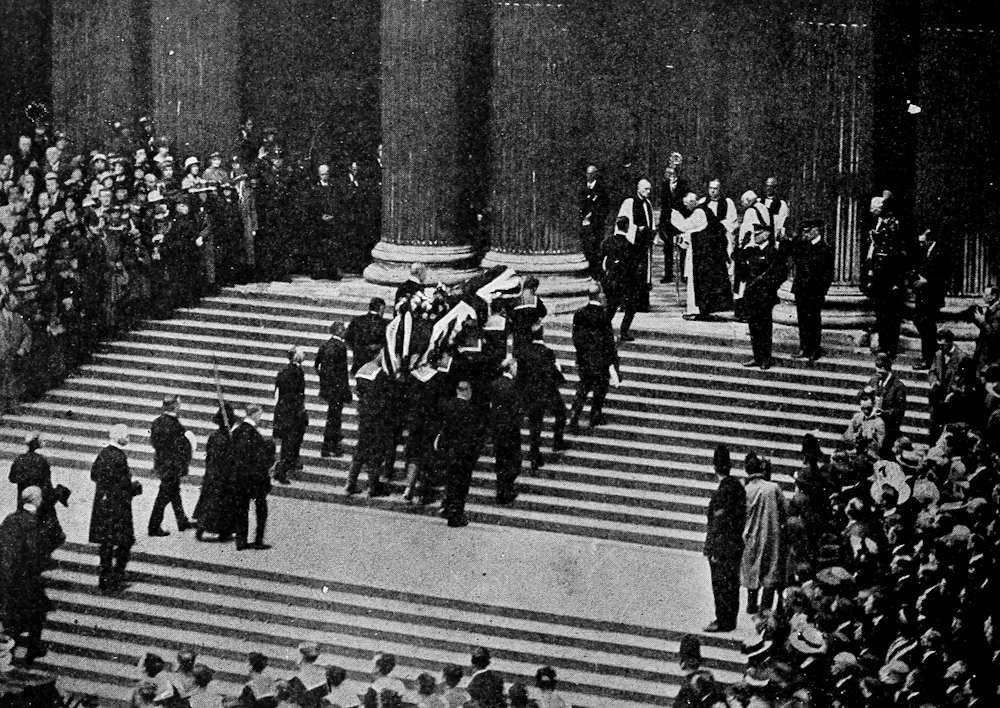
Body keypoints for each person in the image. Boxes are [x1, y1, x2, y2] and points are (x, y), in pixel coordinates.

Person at [0, 486, 51, 663]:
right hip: (26, 579)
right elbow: (36, 552)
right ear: (36, 500)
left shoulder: (10, 519)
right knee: (36, 614)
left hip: (8, 578)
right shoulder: (34, 523)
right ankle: (32, 650)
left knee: (14, 615)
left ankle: (12, 651)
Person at [89, 424, 141, 593]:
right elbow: (123, 485)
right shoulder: (120, 457)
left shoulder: (103, 454)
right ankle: (117, 577)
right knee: (125, 541)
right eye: (127, 435)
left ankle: (104, 578)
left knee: (106, 543)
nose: (129, 438)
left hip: (103, 506)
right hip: (119, 507)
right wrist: (134, 488)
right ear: (119, 437)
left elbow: (94, 475)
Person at [703, 445, 746, 632]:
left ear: (714, 467)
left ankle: (722, 620)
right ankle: (731, 619)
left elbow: (718, 525)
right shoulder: (738, 487)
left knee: (720, 584)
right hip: (735, 543)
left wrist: (712, 548)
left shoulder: (722, 493)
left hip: (722, 546)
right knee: (732, 583)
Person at [672, 192, 733, 320]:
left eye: (686, 204)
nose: (686, 207)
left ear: (692, 202)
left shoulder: (699, 212)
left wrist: (674, 216)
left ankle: (697, 310)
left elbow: (685, 226)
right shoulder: (704, 210)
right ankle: (697, 309)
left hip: (702, 254)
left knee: (697, 282)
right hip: (705, 252)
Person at [516, 325, 567, 474]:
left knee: (535, 425)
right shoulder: (547, 352)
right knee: (561, 413)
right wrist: (560, 378)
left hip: (530, 393)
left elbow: (520, 375)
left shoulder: (523, 351)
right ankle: (557, 441)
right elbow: (551, 371)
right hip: (546, 391)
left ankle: (534, 454)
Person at [568, 284, 619, 432]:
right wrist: (612, 360)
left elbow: (576, 337)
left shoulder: (579, 313)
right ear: (599, 295)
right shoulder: (604, 315)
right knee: (600, 388)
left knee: (583, 388)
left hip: (584, 359)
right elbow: (608, 341)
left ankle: (574, 415)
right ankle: (595, 415)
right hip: (600, 360)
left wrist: (581, 355)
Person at [740, 453, 786, 615]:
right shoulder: (773, 488)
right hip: (771, 534)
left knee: (752, 567)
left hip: (750, 535)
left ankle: (751, 603)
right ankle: (765, 607)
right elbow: (784, 509)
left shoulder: (745, 490)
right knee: (771, 568)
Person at [861, 195, 907, 357]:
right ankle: (883, 345)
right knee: (881, 313)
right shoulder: (879, 223)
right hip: (879, 274)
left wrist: (897, 281)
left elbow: (896, 254)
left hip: (890, 276)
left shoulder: (893, 225)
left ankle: (890, 347)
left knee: (891, 314)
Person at [739, 224, 787, 370]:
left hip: (765, 296)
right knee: (753, 327)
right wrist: (742, 245)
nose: (755, 236)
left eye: (758, 234)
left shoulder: (773, 253)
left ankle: (766, 358)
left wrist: (767, 286)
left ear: (766, 235)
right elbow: (739, 260)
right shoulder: (752, 251)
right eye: (754, 234)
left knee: (764, 328)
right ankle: (757, 357)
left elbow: (780, 274)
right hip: (751, 294)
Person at [9, 433, 65, 557]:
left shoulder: (20, 459)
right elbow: (47, 483)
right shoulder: (42, 461)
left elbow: (12, 478)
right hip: (39, 499)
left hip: (24, 498)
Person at [147, 394, 194, 536]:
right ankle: (153, 526)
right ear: (175, 407)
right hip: (173, 467)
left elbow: (155, 443)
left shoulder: (157, 422)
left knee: (174, 493)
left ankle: (182, 520)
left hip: (162, 464)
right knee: (164, 496)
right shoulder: (176, 426)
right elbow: (181, 448)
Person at [437, 380, 482, 527]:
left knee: (451, 483)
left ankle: (448, 509)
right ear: (468, 391)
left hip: (451, 451)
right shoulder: (471, 410)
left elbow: (443, 429)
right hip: (464, 453)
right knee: (461, 485)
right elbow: (475, 435)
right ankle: (456, 514)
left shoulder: (447, 406)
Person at [231, 403, 276, 551]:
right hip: (255, 481)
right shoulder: (255, 436)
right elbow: (260, 461)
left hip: (239, 478)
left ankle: (241, 540)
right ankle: (258, 540)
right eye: (260, 414)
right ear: (255, 414)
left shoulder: (236, 431)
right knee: (261, 510)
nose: (260, 417)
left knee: (241, 510)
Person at [790, 219, 835, 363]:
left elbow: (828, 274)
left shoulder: (825, 248)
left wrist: (821, 290)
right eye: (804, 231)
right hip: (801, 289)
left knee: (814, 320)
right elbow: (793, 253)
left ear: (817, 230)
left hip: (815, 291)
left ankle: (814, 349)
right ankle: (804, 347)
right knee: (802, 319)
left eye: (809, 231)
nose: (806, 233)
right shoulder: (802, 246)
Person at [194, 404, 237, 542]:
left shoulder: (213, 436)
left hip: (212, 474)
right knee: (223, 504)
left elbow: (209, 456)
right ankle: (224, 531)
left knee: (210, 502)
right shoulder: (229, 439)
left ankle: (202, 527)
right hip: (223, 476)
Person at [911, 229, 947, 370]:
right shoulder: (926, 251)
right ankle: (930, 355)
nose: (921, 244)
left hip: (931, 297)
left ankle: (929, 358)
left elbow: (942, 274)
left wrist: (927, 281)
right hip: (923, 295)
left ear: (930, 240)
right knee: (920, 322)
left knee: (927, 327)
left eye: (923, 242)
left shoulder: (939, 253)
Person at [617, 179, 655, 310]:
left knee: (643, 274)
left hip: (644, 244)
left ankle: (642, 303)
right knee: (631, 273)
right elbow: (622, 221)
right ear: (638, 188)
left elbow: (651, 222)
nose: (648, 192)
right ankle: (628, 303)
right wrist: (636, 229)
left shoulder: (648, 204)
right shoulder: (629, 203)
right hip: (632, 243)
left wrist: (651, 233)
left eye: (649, 189)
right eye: (645, 189)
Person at [928, 329, 973, 439]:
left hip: (953, 399)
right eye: (939, 345)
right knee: (934, 427)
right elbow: (932, 371)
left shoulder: (962, 357)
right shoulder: (938, 354)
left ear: (950, 342)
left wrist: (953, 393)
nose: (940, 347)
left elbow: (965, 382)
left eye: (943, 345)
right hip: (938, 398)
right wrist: (934, 381)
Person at [315, 322, 351, 457]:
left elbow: (317, 365)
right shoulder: (341, 347)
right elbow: (343, 372)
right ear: (339, 331)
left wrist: (324, 382)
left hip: (329, 389)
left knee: (332, 417)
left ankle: (328, 446)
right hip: (337, 390)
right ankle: (332, 446)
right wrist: (345, 390)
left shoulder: (325, 345)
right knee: (335, 419)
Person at [273, 346, 308, 485]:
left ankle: (288, 464)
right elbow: (298, 393)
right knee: (290, 442)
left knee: (288, 442)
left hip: (283, 411)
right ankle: (281, 470)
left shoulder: (284, 371)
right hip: (293, 413)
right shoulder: (297, 372)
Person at [490, 357, 522, 505]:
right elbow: (516, 409)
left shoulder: (495, 384)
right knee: (513, 461)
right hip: (511, 430)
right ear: (510, 368)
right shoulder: (514, 386)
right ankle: (507, 489)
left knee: (501, 461)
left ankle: (501, 491)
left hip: (498, 429)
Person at [868, 353, 907, 457]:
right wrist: (866, 392)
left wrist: (885, 413)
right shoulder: (874, 381)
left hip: (888, 427)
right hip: (872, 424)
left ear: (888, 369)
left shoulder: (898, 386)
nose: (878, 374)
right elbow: (861, 398)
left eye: (881, 371)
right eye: (877, 370)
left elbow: (900, 411)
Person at [0, 291, 32, 415]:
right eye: (12, 301)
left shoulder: (18, 317)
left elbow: (28, 334)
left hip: (14, 356)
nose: (15, 303)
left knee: (12, 380)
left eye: (16, 301)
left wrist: (23, 348)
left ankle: (11, 405)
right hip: (2, 356)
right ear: (5, 303)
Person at [657, 161, 689, 283]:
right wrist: (661, 224)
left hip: (681, 219)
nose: (669, 175)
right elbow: (663, 205)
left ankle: (684, 275)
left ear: (676, 173)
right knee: (668, 248)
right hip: (667, 221)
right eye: (667, 173)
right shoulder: (664, 185)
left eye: (672, 173)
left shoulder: (683, 184)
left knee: (683, 247)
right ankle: (668, 275)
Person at [311, 163, 342, 280]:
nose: (325, 176)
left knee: (332, 247)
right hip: (319, 223)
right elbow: (312, 205)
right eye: (322, 174)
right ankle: (318, 271)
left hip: (332, 221)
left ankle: (332, 271)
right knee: (319, 247)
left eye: (326, 174)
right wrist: (320, 216)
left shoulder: (334, 188)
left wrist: (333, 215)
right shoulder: (314, 188)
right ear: (319, 175)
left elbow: (338, 203)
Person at [578, 165, 609, 276]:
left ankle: (596, 271)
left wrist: (594, 216)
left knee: (596, 247)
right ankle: (589, 269)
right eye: (587, 173)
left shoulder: (601, 189)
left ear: (596, 174)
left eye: (591, 174)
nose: (589, 176)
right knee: (586, 246)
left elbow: (605, 207)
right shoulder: (582, 188)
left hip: (596, 224)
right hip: (584, 223)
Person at [346, 298, 387, 375]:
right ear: (381, 308)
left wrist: (357, 348)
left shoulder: (357, 320)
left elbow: (348, 338)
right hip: (374, 362)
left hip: (358, 359)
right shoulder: (384, 324)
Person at [509, 276, 547, 355]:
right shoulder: (535, 299)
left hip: (517, 331)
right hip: (530, 331)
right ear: (534, 288)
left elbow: (510, 315)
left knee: (518, 352)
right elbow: (543, 312)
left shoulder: (515, 299)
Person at [843, 391, 886, 459]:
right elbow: (847, 436)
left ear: (873, 405)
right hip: (856, 452)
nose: (865, 410)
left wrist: (869, 437)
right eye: (863, 408)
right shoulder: (857, 418)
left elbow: (880, 446)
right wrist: (855, 437)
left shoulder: (879, 422)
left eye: (868, 408)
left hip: (871, 456)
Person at [971, 286, 1000, 380]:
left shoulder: (998, 313)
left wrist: (982, 321)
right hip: (982, 353)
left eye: (985, 294)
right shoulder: (990, 309)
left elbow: (993, 334)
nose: (983, 296)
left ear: (993, 296)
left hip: (990, 356)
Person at [762, 177, 790, 242]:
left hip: (774, 233)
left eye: (771, 186)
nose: (768, 188)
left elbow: (783, 220)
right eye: (767, 186)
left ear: (775, 188)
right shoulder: (760, 202)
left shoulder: (781, 204)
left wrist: (780, 232)